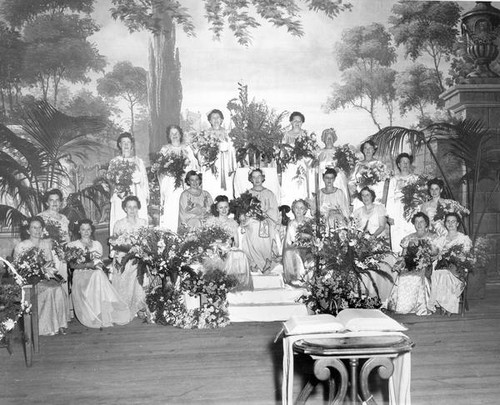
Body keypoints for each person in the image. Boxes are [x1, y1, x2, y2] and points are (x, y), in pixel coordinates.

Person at [67, 219, 130, 328]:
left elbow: (99, 263)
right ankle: (102, 310)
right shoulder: (73, 245)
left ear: (91, 230)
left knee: (99, 275)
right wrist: (88, 265)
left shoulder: (97, 244)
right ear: (79, 231)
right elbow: (72, 266)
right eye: (83, 229)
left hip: (96, 274)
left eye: (88, 229)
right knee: (98, 276)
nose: (86, 232)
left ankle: (101, 314)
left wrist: (98, 266)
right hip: (81, 275)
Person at [14, 217, 69, 336]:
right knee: (49, 290)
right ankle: (45, 327)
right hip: (29, 281)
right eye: (34, 227)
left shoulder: (46, 244)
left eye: (39, 227)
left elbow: (50, 264)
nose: (37, 230)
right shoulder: (21, 246)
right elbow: (16, 269)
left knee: (59, 289)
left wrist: (47, 271)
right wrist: (32, 271)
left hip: (45, 277)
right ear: (28, 230)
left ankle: (60, 324)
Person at [387, 213, 437, 315]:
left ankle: (419, 306)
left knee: (417, 277)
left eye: (421, 221)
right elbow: (404, 255)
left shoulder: (432, 237)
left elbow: (435, 254)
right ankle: (403, 307)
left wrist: (425, 258)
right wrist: (399, 264)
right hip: (411, 265)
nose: (419, 224)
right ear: (413, 223)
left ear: (426, 223)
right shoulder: (409, 238)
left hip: (426, 264)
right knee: (404, 276)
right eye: (416, 222)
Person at [353, 187, 394, 306]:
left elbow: (382, 226)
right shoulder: (358, 211)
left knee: (376, 265)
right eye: (363, 195)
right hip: (363, 242)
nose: (365, 198)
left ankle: (378, 296)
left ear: (372, 196)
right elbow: (356, 228)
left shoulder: (379, 208)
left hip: (378, 240)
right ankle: (364, 295)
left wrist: (372, 237)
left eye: (368, 195)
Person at [111, 196, 148, 319]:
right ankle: (126, 307)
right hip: (124, 256)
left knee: (140, 269)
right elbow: (115, 243)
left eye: (135, 207)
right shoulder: (119, 224)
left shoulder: (143, 223)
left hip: (139, 256)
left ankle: (140, 307)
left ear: (138, 208)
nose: (132, 210)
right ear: (125, 208)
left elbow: (147, 241)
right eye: (129, 207)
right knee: (127, 267)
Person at [428, 212, 472, 315]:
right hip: (442, 267)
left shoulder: (463, 239)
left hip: (458, 269)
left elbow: (466, 256)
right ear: (445, 223)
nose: (450, 224)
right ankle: (446, 305)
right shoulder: (441, 239)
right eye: (448, 221)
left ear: (457, 224)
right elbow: (435, 255)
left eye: (453, 221)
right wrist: (437, 254)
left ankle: (447, 306)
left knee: (445, 274)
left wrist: (456, 257)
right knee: (440, 273)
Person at [158, 125, 199, 232]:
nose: (174, 135)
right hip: (170, 183)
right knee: (171, 207)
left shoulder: (187, 148)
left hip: (184, 182)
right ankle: (170, 233)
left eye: (176, 133)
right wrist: (169, 170)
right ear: (168, 136)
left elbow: (194, 166)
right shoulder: (165, 149)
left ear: (180, 134)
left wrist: (186, 170)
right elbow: (160, 168)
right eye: (172, 133)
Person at [107, 132, 149, 234]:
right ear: (120, 145)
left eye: (128, 142)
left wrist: (140, 181)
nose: (126, 145)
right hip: (120, 195)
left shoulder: (139, 161)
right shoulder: (114, 161)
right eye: (123, 142)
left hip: (137, 193)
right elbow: (110, 180)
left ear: (132, 145)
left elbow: (145, 180)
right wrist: (117, 183)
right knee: (121, 219)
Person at [206, 195, 251, 289]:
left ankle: (232, 283)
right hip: (214, 248)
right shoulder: (211, 221)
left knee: (239, 254)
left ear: (229, 208)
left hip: (227, 248)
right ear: (217, 209)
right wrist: (217, 244)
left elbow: (237, 243)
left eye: (226, 207)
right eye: (221, 207)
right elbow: (207, 239)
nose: (224, 210)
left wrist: (228, 246)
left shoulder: (232, 223)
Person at [240, 169, 280, 272]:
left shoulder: (269, 193)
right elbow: (243, 211)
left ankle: (266, 259)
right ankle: (256, 262)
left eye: (259, 177)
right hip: (251, 220)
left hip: (267, 219)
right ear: (251, 179)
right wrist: (245, 215)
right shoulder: (248, 194)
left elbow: (274, 210)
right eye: (254, 177)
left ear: (263, 178)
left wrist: (265, 212)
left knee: (265, 226)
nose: (257, 179)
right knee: (254, 225)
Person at [39, 189, 71, 305]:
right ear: (47, 202)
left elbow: (67, 237)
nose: (54, 203)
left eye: (57, 200)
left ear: (61, 202)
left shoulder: (64, 218)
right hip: (48, 254)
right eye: (51, 200)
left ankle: (62, 313)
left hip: (62, 254)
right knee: (52, 281)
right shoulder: (41, 217)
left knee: (62, 280)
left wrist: (67, 252)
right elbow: (38, 238)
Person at [198, 109, 236, 198]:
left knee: (225, 190)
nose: (216, 120)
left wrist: (232, 167)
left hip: (225, 165)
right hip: (210, 166)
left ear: (222, 119)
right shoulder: (205, 134)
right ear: (210, 121)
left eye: (218, 117)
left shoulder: (228, 134)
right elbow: (201, 152)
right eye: (213, 118)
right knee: (211, 187)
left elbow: (232, 150)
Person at [386, 153, 419, 252]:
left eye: (407, 162)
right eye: (403, 162)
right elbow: (390, 197)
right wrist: (389, 215)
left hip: (411, 210)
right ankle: (397, 260)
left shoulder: (415, 179)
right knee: (397, 234)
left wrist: (417, 212)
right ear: (399, 165)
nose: (405, 164)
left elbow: (419, 198)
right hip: (396, 211)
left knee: (411, 231)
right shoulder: (393, 179)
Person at [280, 111, 312, 206]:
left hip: (302, 164)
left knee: (302, 186)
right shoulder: (286, 135)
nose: (297, 123)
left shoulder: (305, 135)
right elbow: (282, 152)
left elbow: (310, 152)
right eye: (295, 121)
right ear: (291, 122)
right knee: (290, 185)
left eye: (300, 121)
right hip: (289, 165)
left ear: (302, 123)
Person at [351, 140, 388, 210]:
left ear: (374, 150)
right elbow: (352, 181)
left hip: (375, 196)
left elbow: (383, 182)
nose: (368, 150)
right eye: (365, 148)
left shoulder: (379, 164)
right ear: (363, 150)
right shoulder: (358, 164)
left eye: (370, 148)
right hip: (361, 196)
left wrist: (381, 197)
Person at [316, 128, 350, 203]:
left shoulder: (340, 152)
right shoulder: (319, 153)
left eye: (330, 138)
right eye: (327, 138)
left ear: (334, 139)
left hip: (337, 180)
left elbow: (344, 168)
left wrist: (338, 170)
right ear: (324, 140)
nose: (329, 140)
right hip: (323, 181)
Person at [283, 199, 310, 285]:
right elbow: (289, 241)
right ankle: (296, 278)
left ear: (305, 210)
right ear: (293, 209)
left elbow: (315, 237)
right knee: (291, 252)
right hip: (296, 247)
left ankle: (305, 278)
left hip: (309, 247)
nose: (299, 210)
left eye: (301, 208)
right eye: (297, 208)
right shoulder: (291, 223)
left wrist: (306, 237)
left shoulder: (309, 221)